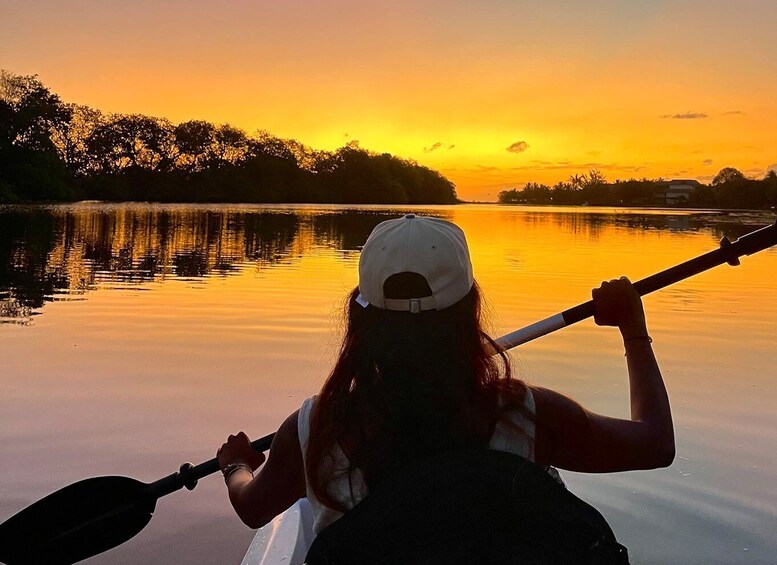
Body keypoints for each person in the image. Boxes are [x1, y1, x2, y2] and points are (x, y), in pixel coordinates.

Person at [217, 214, 675, 534]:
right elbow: (655, 443)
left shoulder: (317, 426)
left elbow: (252, 509)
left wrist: (237, 464)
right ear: (469, 309)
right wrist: (634, 330)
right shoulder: (526, 415)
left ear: (361, 319)